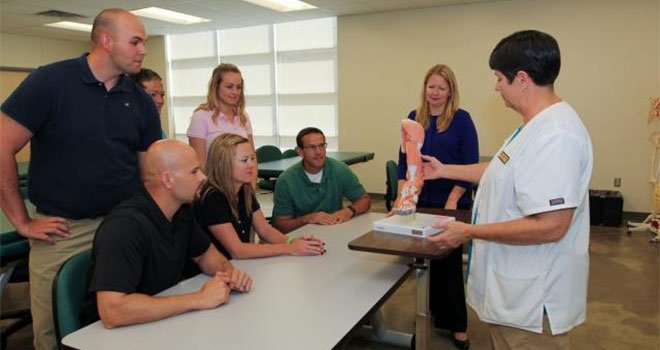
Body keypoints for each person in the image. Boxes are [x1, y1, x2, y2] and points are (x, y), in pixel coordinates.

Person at [0, 8, 161, 350]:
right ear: (106, 40)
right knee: (53, 333)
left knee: (124, 322)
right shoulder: (50, 82)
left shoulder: (141, 102)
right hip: (62, 231)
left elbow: (148, 173)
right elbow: (2, 146)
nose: (142, 50)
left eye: (143, 42)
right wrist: (21, 221)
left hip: (122, 226)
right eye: (135, 41)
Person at [423, 30, 592, 350]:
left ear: (523, 79)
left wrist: (469, 231)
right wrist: (444, 170)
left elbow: (552, 224)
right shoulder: (534, 126)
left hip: (532, 302)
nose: (496, 87)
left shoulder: (556, 135)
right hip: (513, 298)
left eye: (500, 78)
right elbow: (502, 170)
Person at [90, 140, 252, 328]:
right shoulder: (124, 227)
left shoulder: (181, 211)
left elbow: (205, 255)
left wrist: (229, 274)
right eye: (194, 171)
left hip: (160, 322)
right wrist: (198, 299)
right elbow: (112, 311)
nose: (203, 178)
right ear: (167, 180)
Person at [395, 64, 478, 349]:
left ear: (450, 91)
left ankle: (457, 325)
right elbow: (404, 162)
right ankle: (426, 316)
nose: (435, 93)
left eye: (442, 88)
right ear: (425, 88)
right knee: (424, 265)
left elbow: (469, 164)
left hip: (452, 200)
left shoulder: (461, 120)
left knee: (450, 265)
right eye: (431, 86)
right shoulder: (412, 118)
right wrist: (400, 198)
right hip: (420, 201)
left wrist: (453, 201)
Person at [194, 133, 326, 259]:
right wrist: (290, 248)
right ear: (223, 163)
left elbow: (265, 231)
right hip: (211, 274)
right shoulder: (211, 198)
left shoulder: (244, 190)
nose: (251, 165)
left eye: (252, 158)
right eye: (244, 160)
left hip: (238, 267)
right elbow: (237, 250)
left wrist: (293, 241)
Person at [272, 127, 371, 233]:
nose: (319, 152)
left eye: (322, 145)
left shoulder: (339, 169)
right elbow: (280, 225)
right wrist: (306, 219)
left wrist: (349, 210)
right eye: (312, 147)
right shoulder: (286, 180)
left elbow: (364, 200)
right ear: (300, 152)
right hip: (301, 235)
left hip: (334, 229)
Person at [187, 63, 255, 171]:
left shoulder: (243, 116)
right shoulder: (201, 117)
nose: (235, 92)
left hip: (242, 185)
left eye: (239, 87)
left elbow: (252, 159)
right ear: (216, 87)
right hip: (214, 185)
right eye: (229, 87)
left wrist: (250, 187)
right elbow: (199, 165)